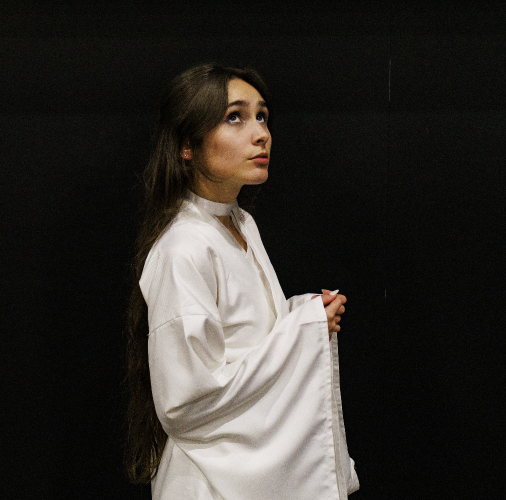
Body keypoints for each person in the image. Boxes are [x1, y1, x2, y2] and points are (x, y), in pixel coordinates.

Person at [125, 63, 359, 499]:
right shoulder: (183, 247)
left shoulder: (241, 223)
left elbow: (246, 342)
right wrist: (302, 331)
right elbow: (186, 401)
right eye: (235, 117)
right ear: (187, 145)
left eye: (262, 116)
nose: (261, 134)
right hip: (207, 481)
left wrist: (304, 316)